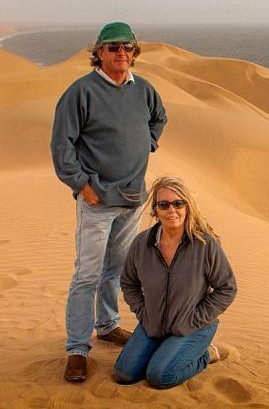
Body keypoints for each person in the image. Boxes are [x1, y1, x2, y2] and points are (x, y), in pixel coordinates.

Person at [50, 22, 167, 382]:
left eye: (127, 47)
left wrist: (146, 143)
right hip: (97, 201)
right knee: (87, 274)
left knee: (115, 269)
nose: (121, 53)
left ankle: (108, 324)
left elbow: (159, 118)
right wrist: (83, 186)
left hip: (132, 199)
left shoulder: (143, 89)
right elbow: (62, 146)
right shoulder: (81, 92)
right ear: (99, 52)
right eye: (113, 47)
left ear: (134, 52)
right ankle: (77, 348)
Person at [115, 176, 237, 388]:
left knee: (160, 376)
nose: (171, 210)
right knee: (124, 374)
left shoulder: (205, 244)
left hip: (193, 326)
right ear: (155, 210)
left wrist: (195, 319)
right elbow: (128, 283)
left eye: (178, 203)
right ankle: (165, 349)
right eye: (164, 204)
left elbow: (227, 288)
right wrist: (144, 313)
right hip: (153, 325)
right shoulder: (142, 244)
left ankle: (206, 354)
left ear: (187, 206)